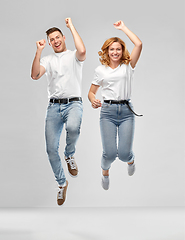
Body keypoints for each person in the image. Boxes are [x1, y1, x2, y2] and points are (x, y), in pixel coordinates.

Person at [31, 18, 86, 205]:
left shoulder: (74, 56)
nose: (55, 41)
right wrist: (38, 51)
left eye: (57, 37)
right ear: (49, 42)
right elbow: (35, 75)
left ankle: (69, 154)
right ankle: (62, 183)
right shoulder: (47, 59)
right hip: (54, 106)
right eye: (51, 39)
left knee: (73, 127)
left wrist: (71, 26)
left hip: (73, 104)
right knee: (50, 149)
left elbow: (83, 51)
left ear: (63, 38)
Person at [88, 20, 142, 190]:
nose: (115, 52)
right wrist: (92, 100)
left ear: (122, 50)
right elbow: (91, 92)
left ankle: (131, 160)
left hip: (126, 111)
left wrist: (123, 28)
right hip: (108, 113)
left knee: (124, 154)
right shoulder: (100, 70)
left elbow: (139, 44)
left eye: (118, 49)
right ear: (107, 51)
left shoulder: (128, 66)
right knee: (110, 154)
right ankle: (105, 171)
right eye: (112, 49)